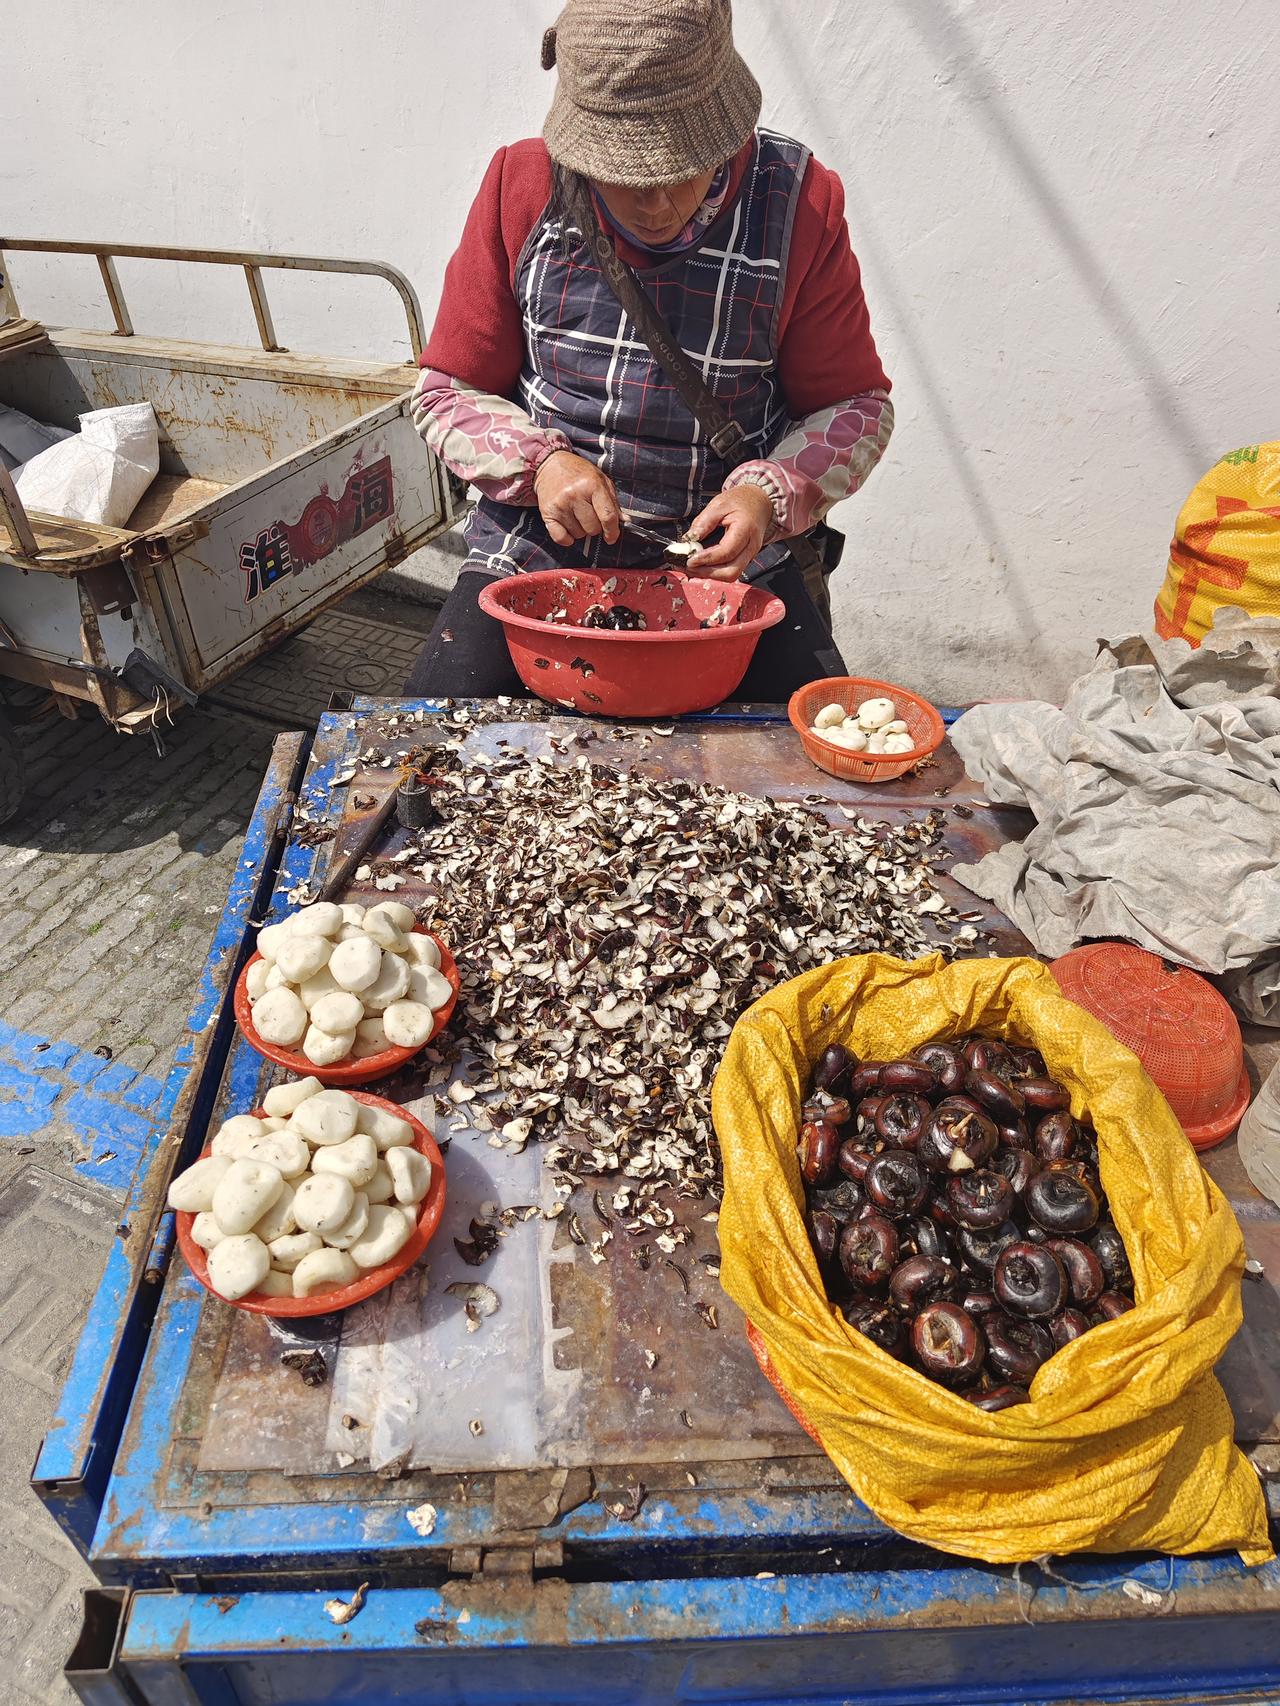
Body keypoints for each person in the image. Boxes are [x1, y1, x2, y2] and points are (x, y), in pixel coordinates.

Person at [405, 0, 893, 702]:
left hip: (730, 562)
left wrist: (766, 495)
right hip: (539, 548)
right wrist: (539, 465)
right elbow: (444, 391)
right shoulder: (522, 186)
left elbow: (858, 408)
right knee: (429, 747)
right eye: (626, 174)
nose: (658, 203)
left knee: (815, 759)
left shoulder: (799, 203)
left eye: (683, 165)